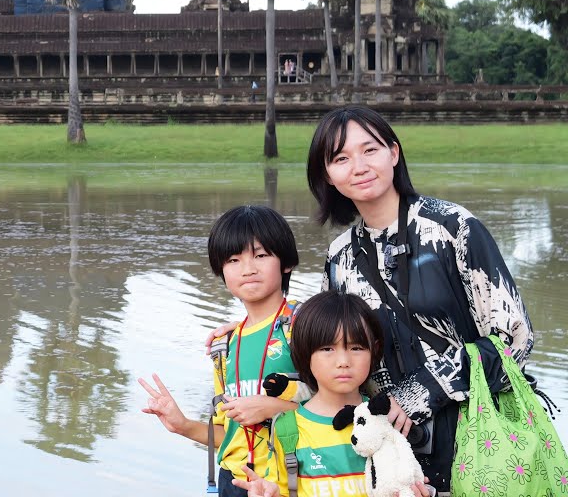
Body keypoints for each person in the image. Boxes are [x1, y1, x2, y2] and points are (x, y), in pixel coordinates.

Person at [306, 105, 533, 491]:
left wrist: (414, 396)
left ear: (394, 153)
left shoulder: (452, 228)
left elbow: (515, 338)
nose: (358, 166)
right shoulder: (339, 257)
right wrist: (258, 323)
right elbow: (333, 344)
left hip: (482, 440)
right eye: (341, 158)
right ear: (327, 175)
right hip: (390, 457)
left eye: (370, 150)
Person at [139, 206, 304, 496]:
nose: (248, 268)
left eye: (261, 255)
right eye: (233, 259)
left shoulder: (306, 326)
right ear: (221, 270)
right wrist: (184, 426)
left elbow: (341, 411)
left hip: (289, 481)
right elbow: (228, 434)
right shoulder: (224, 345)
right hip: (234, 481)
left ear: (286, 262)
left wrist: (274, 407)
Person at [232, 291, 432, 497]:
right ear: (304, 351)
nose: (343, 361)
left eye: (356, 347)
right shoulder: (288, 429)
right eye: (327, 348)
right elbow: (283, 491)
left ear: (374, 350)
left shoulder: (387, 420)